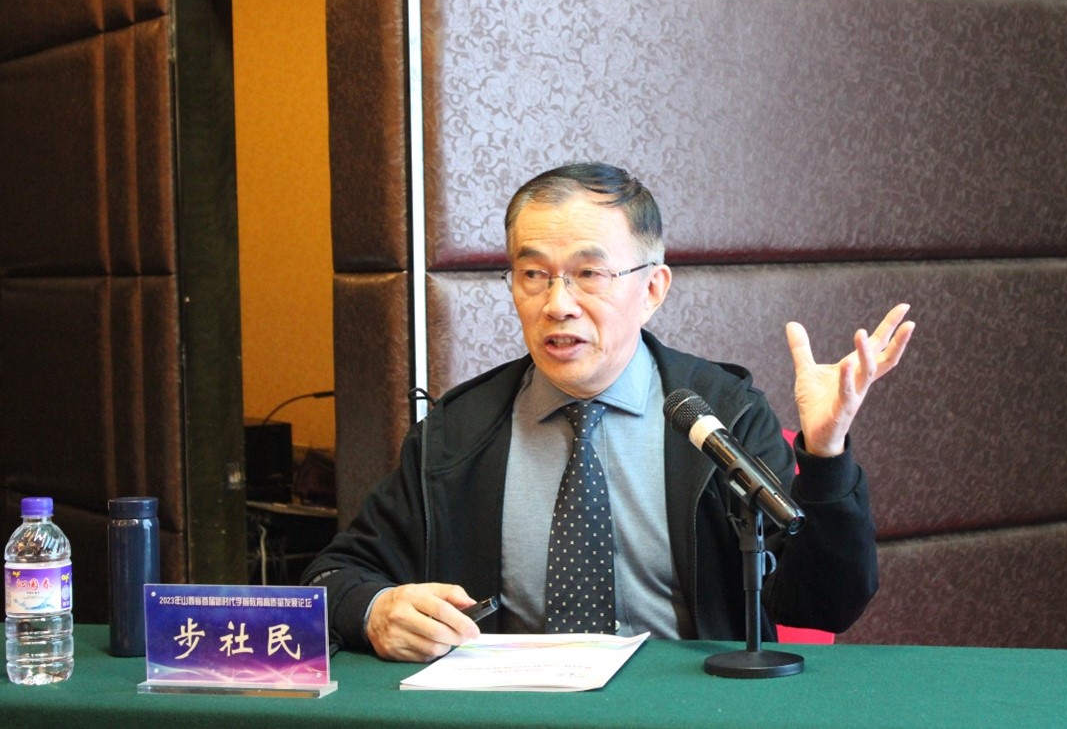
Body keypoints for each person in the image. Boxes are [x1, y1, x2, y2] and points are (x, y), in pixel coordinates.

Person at [302, 162, 914, 662]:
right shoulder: (458, 432)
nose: (557, 303)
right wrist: (374, 610)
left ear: (653, 289)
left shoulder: (722, 416)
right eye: (533, 274)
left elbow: (824, 604)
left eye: (588, 273)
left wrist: (826, 453)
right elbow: (332, 577)